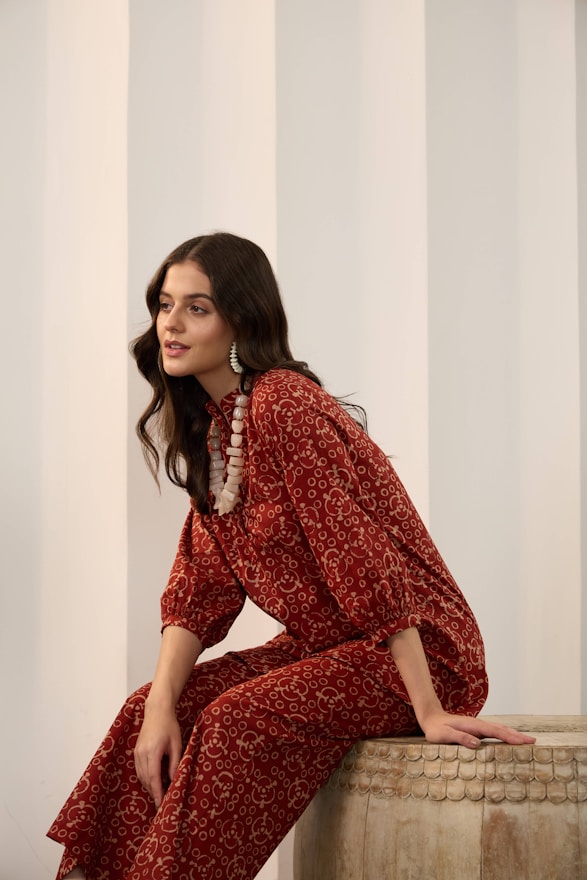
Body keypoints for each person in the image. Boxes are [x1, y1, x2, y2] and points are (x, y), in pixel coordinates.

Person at [48, 232, 534, 880]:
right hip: (324, 648)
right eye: (165, 304)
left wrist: (429, 708)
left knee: (231, 719)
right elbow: (200, 588)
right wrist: (163, 702)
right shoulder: (218, 430)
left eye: (197, 307)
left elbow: (367, 567)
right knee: (147, 708)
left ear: (241, 319)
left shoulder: (285, 405)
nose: (171, 322)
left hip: (423, 650)